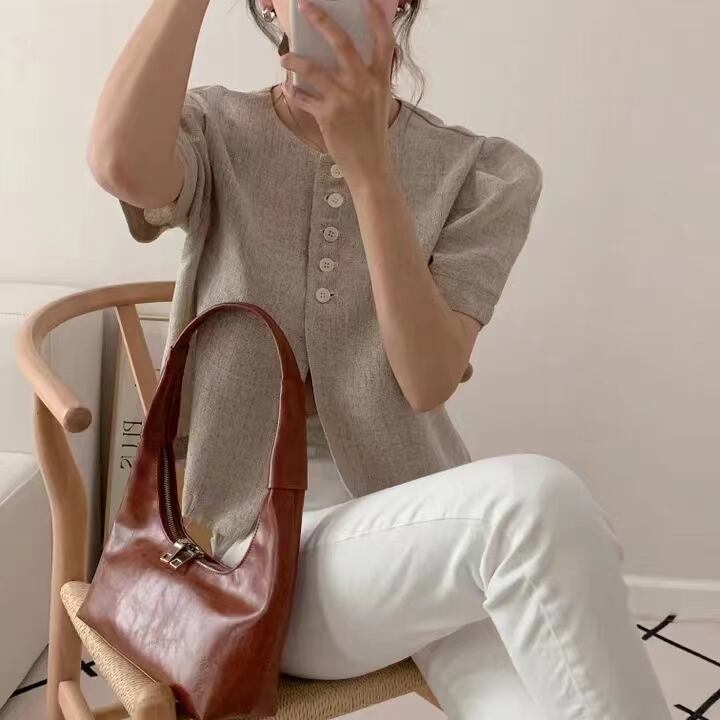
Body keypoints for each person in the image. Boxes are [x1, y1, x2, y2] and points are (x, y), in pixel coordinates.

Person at [87, 0, 671, 717]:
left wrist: (370, 171)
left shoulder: (484, 172)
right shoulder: (216, 130)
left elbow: (426, 380)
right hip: (251, 565)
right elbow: (118, 164)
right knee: (538, 506)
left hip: (426, 538)